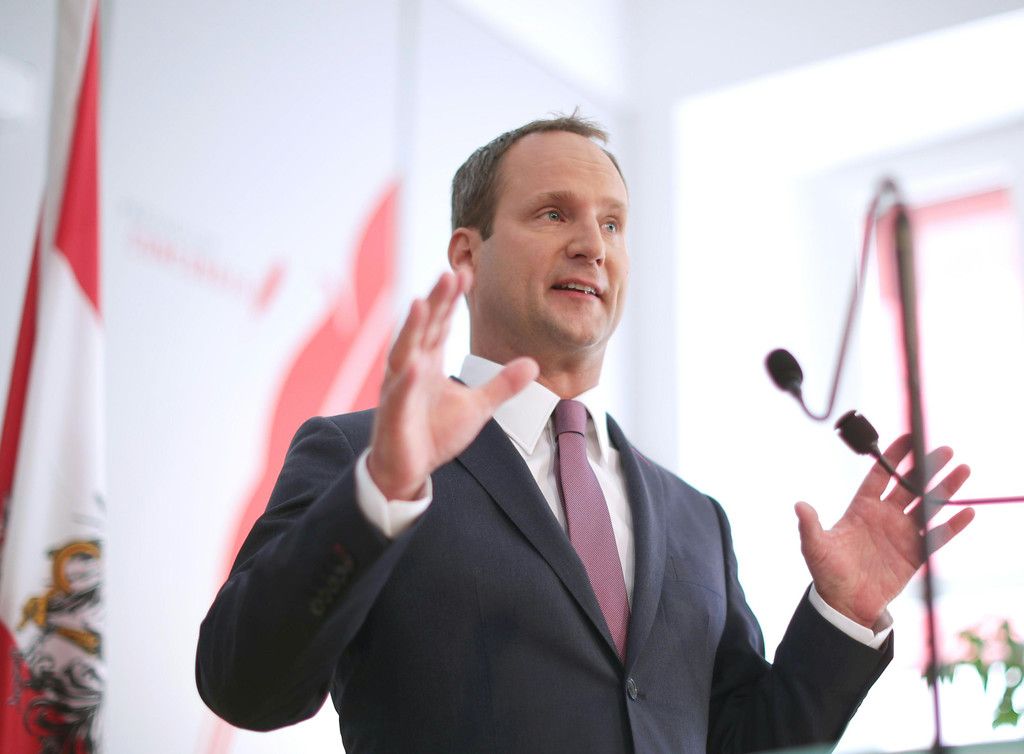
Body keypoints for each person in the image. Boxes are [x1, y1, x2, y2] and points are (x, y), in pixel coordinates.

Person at [196, 115, 975, 753]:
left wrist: (841, 615)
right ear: (467, 253)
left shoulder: (695, 519)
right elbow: (244, 686)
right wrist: (380, 492)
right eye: (553, 214)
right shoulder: (360, 458)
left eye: (612, 223)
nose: (593, 246)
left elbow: (742, 744)